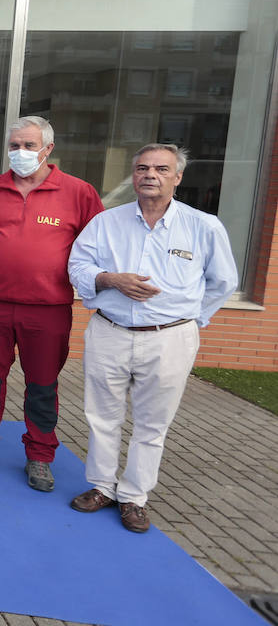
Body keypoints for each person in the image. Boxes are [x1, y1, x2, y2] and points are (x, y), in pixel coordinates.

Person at [67, 144, 237, 533]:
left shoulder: (202, 226)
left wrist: (190, 320)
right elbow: (77, 264)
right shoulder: (107, 222)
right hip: (110, 330)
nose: (150, 175)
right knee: (101, 416)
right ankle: (102, 487)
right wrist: (110, 279)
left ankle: (134, 496)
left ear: (177, 177)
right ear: (133, 174)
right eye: (142, 168)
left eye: (161, 169)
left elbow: (224, 282)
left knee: (151, 424)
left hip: (169, 339)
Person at [0, 116, 104, 491]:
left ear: (48, 149)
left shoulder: (78, 192)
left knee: (43, 385)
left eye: (29, 146)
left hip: (48, 308)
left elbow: (95, 245)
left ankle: (39, 455)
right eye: (15, 146)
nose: (20, 153)